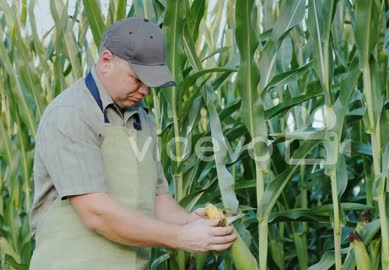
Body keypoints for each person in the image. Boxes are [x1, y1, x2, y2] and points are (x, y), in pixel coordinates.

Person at [29, 17, 236, 270]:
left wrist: (188, 223)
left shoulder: (143, 119)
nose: (145, 90)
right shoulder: (71, 113)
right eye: (137, 78)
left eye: (150, 82)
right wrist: (182, 238)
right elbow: (95, 212)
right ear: (106, 61)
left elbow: (157, 198)